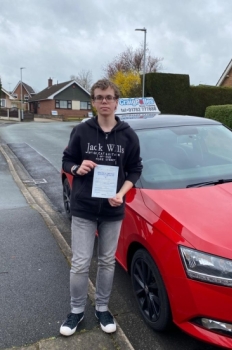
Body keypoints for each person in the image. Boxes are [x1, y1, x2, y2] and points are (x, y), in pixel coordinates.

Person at [60, 79, 142, 336]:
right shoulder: (82, 131)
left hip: (112, 210)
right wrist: (77, 168)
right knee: (81, 263)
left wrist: (121, 193)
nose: (104, 101)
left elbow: (135, 169)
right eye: (99, 97)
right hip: (84, 207)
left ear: (116, 101)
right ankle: (76, 311)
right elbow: (67, 160)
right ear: (93, 102)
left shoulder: (128, 135)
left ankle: (103, 308)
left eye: (108, 97)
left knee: (107, 262)